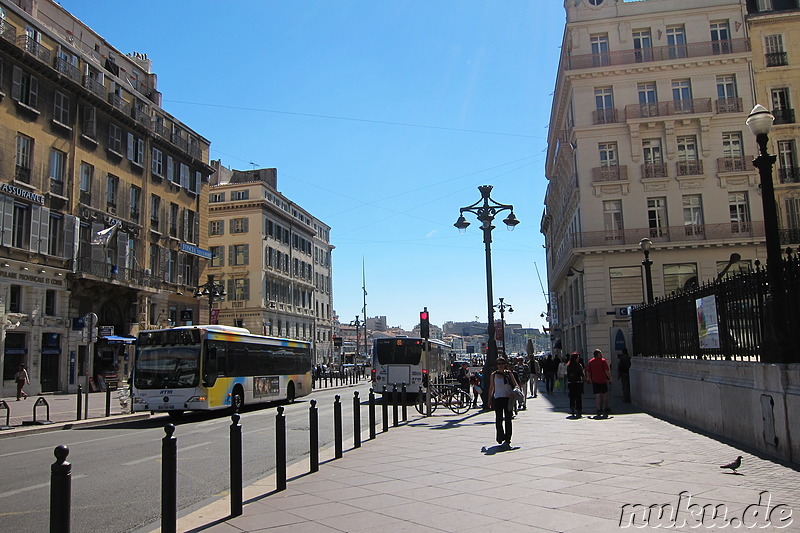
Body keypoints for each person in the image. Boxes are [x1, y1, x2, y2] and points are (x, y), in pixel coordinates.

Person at [488, 357, 518, 447]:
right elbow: (492, 387)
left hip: (508, 398)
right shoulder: (493, 375)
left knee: (508, 419)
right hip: (498, 398)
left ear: (505, 364)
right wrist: (489, 399)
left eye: (502, 363)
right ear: (497, 365)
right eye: (499, 364)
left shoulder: (509, 373)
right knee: (498, 419)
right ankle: (500, 436)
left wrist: (513, 393)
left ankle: (508, 438)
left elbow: (516, 384)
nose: (500, 365)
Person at [585, 349, 612, 418]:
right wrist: (610, 378)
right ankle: (606, 407)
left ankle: (598, 409)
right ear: (598, 354)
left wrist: (588, 378)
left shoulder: (591, 362)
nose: (602, 354)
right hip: (603, 380)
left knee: (597, 395)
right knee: (605, 394)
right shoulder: (603, 361)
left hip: (595, 380)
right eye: (600, 353)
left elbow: (588, 371)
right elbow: (606, 371)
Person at [566, 352, 584, 418]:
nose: (578, 358)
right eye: (577, 357)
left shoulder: (569, 366)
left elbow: (567, 374)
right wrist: (585, 379)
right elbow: (581, 374)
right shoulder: (579, 365)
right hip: (578, 382)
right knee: (578, 397)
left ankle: (572, 408)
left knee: (572, 396)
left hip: (570, 383)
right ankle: (578, 409)